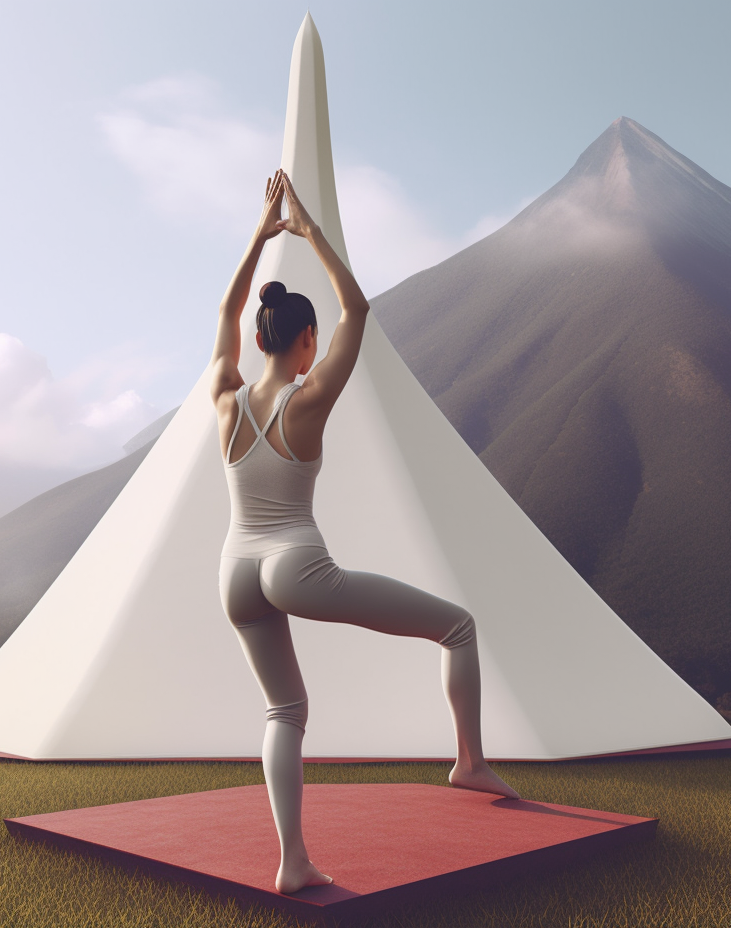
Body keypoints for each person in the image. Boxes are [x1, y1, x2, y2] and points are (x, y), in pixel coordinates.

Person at [209, 169, 520, 895]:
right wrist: (308, 230)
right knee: (458, 628)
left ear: (259, 339)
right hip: (294, 563)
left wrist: (258, 239)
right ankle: (469, 762)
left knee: (284, 710)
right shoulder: (310, 397)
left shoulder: (224, 399)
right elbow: (359, 306)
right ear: (306, 339)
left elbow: (225, 312)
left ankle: (291, 861)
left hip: (234, 574)